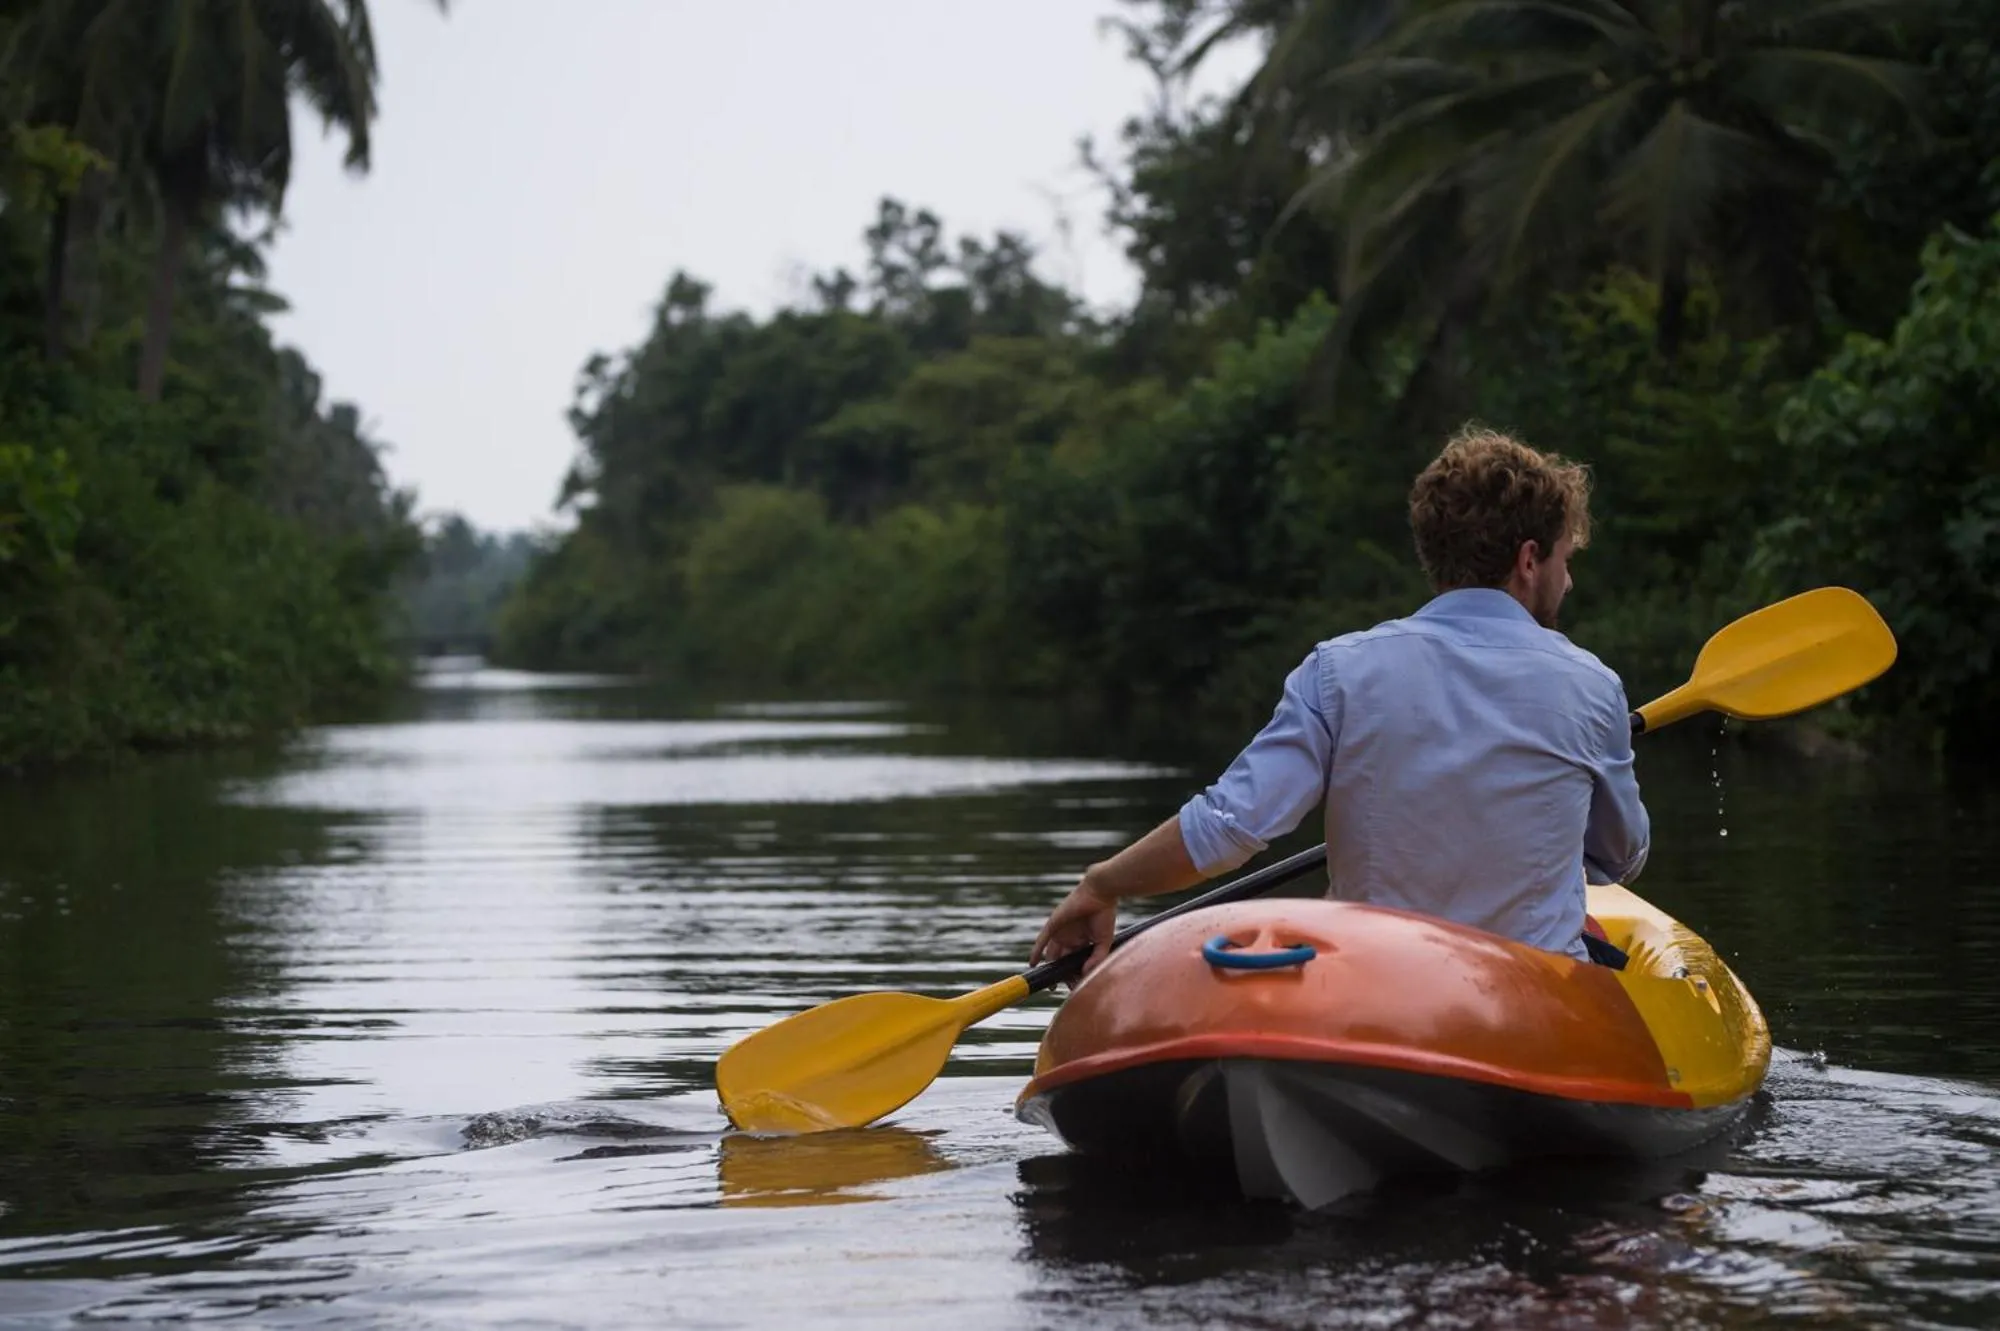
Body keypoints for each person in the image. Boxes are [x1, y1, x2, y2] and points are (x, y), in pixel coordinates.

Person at [1029, 426, 1650, 975]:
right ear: (1529, 559)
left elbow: (1228, 828)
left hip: (1372, 989)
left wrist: (1102, 883)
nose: (1568, 581)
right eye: (1566, 560)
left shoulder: (1339, 670)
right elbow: (1620, 857)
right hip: (1532, 996)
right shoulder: (1592, 686)